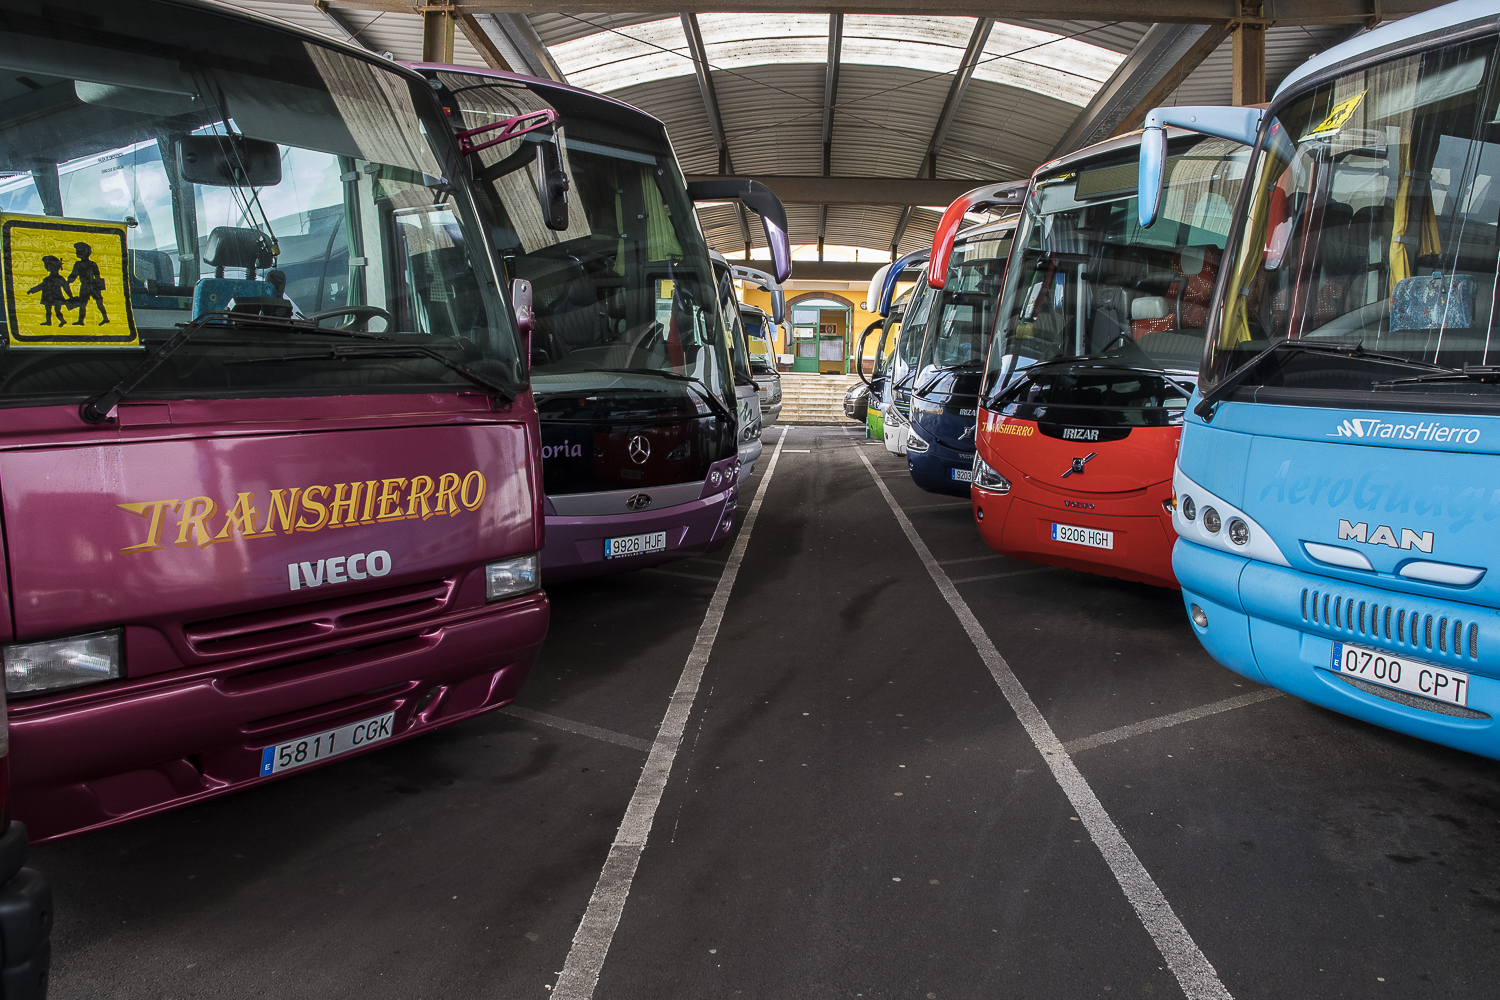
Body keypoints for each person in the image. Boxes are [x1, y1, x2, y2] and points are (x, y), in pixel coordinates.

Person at [67, 242, 108, 325]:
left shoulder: (89, 264)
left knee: (98, 303)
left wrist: (99, 287)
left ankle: (105, 318)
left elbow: (96, 275)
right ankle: (81, 320)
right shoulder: (80, 264)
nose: (77, 253)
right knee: (84, 304)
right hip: (87, 286)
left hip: (91, 286)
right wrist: (68, 282)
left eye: (79, 251)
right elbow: (73, 275)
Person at [27, 255, 72, 326]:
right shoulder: (48, 279)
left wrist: (70, 296)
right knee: (48, 310)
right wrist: (32, 290)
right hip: (48, 297)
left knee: (57, 310)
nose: (45, 266)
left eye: (46, 265)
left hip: (57, 297)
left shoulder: (59, 278)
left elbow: (66, 287)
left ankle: (62, 321)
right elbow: (40, 286)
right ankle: (48, 321)